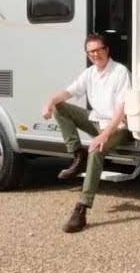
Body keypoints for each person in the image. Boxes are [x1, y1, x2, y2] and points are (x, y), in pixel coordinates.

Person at [40, 33, 133, 233]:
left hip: (118, 127)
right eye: (91, 52)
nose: (95, 54)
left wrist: (104, 134)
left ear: (107, 50)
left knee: (96, 150)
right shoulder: (89, 73)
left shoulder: (120, 71)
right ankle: (77, 154)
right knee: (59, 107)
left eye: (99, 50)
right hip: (97, 122)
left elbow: (121, 110)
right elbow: (68, 92)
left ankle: (81, 207)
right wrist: (49, 102)